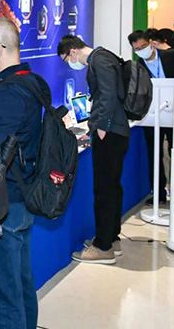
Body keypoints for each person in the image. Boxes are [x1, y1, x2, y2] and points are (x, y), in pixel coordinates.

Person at [0, 18, 45, 329]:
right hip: (21, 195)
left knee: (3, 296)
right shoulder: (30, 82)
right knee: (21, 284)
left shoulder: (7, 93)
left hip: (4, 204)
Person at [58, 35, 129, 264]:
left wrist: (102, 127)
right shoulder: (104, 57)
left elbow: (108, 95)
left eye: (66, 59)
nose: (70, 64)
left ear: (73, 51)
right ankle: (111, 237)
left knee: (104, 190)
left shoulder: (99, 60)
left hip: (110, 132)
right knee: (112, 188)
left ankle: (103, 247)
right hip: (114, 130)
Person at [128, 30, 174, 207]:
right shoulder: (138, 65)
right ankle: (158, 193)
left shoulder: (172, 56)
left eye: (143, 46)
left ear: (151, 43)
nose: (141, 50)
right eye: (137, 49)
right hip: (152, 115)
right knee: (154, 154)